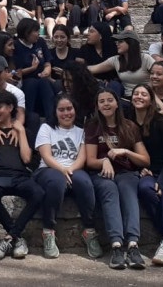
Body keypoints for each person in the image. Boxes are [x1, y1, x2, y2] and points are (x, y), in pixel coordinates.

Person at [85, 87, 149, 269]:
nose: (106, 104)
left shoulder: (129, 126)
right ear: (97, 106)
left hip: (127, 173)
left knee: (128, 190)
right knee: (109, 189)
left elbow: (145, 159)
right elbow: (90, 160)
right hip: (101, 174)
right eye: (102, 101)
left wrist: (126, 151)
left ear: (117, 103)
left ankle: (133, 245)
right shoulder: (92, 127)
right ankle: (116, 246)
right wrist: (104, 160)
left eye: (109, 100)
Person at [33, 93, 101, 259]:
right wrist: (61, 170)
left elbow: (82, 157)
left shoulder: (81, 131)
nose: (66, 113)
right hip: (48, 169)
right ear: (55, 112)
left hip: (74, 169)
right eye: (61, 110)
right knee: (56, 182)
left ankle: (89, 231)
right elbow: (46, 156)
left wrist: (69, 170)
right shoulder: (46, 128)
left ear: (75, 110)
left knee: (84, 182)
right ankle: (48, 231)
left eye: (69, 109)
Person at [0, 90, 45, 261]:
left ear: (10, 108)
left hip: (20, 177)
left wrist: (21, 131)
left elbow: (26, 159)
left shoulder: (23, 132)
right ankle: (16, 236)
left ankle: (10, 237)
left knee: (38, 193)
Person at [129, 84, 163, 266]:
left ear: (151, 99)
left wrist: (161, 182)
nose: (139, 97)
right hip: (147, 171)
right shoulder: (128, 122)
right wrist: (140, 170)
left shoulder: (162, 122)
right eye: (136, 93)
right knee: (145, 188)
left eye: (143, 94)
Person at [88, 30, 155, 100]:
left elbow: (160, 73)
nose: (117, 44)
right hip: (127, 98)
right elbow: (93, 69)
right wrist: (76, 67)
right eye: (117, 42)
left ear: (131, 43)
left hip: (145, 96)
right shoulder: (116, 60)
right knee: (113, 85)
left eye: (121, 41)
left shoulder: (146, 58)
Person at [12, 17, 55, 121]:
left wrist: (47, 70)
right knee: (31, 83)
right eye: (36, 31)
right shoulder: (15, 46)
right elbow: (14, 72)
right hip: (24, 81)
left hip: (42, 79)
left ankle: (52, 120)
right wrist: (32, 68)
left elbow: (47, 62)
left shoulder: (40, 42)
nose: (38, 33)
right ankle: (29, 118)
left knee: (44, 82)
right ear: (26, 33)